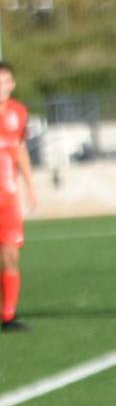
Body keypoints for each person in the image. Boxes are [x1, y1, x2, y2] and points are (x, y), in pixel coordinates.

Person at [0, 61, 37, 332]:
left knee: (11, 256)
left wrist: (31, 185)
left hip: (9, 197)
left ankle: (9, 316)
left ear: (12, 84)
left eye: (6, 82)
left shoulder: (19, 113)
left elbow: (20, 148)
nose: (2, 87)